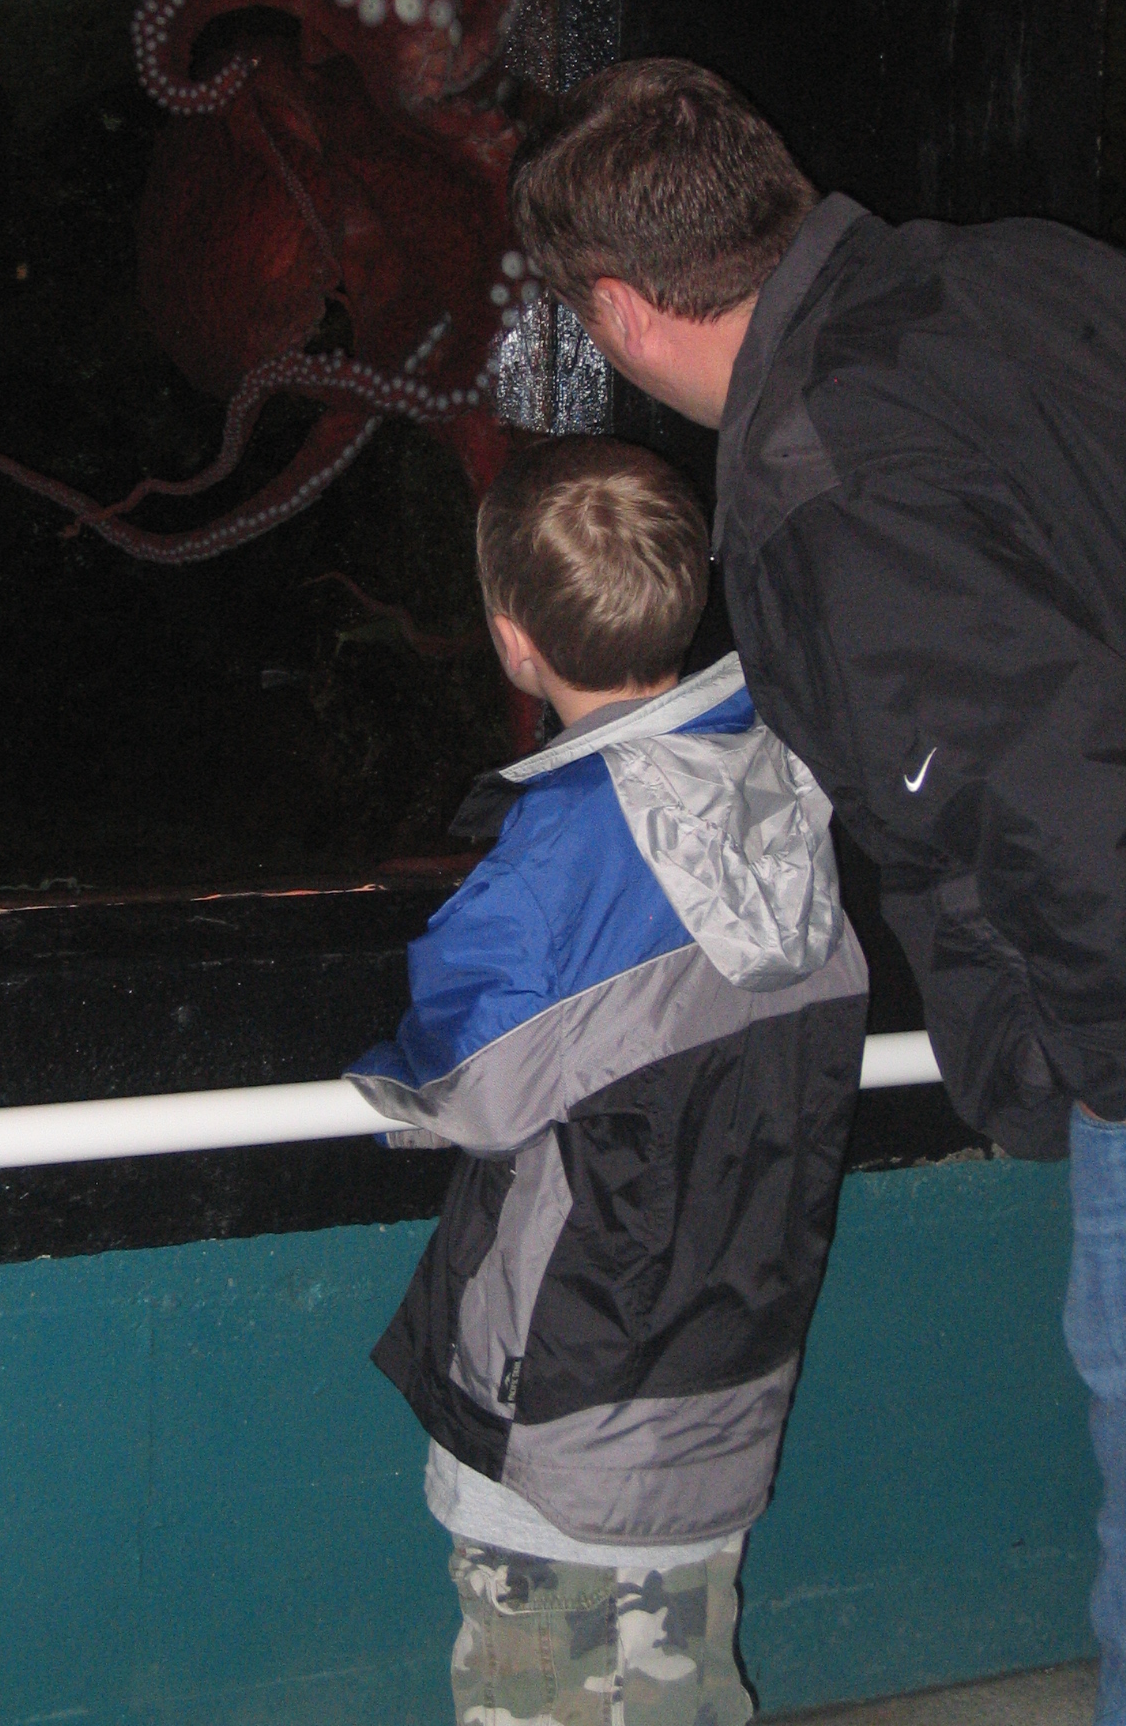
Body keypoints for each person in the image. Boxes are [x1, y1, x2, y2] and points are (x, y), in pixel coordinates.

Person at [508, 57, 1126, 1723]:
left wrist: (1085, 1075)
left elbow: (1054, 806)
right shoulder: (1028, 273)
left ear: (624, 310)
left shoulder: (819, 484)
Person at [346, 436, 869, 1726]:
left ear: (514, 642)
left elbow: (462, 1083)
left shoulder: (564, 857)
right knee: (687, 1684)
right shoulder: (785, 784)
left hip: (573, 1398)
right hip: (726, 1362)